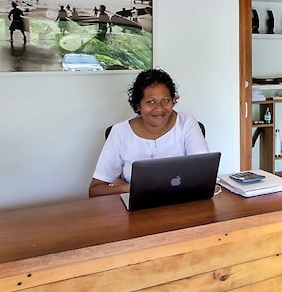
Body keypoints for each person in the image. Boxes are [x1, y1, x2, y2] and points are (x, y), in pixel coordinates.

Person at [89, 68, 209, 197]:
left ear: (173, 100)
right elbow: (95, 190)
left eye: (165, 100)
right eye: (151, 102)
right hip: (136, 203)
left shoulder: (186, 123)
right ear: (138, 105)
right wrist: (129, 188)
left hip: (180, 201)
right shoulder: (120, 132)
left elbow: (204, 174)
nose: (159, 108)